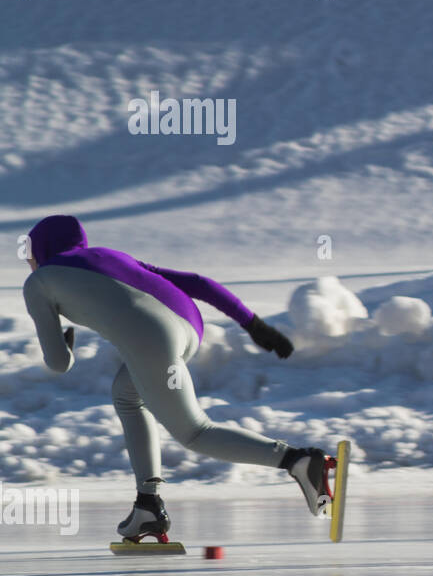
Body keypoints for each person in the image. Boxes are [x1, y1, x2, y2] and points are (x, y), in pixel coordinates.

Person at [22, 214, 331, 542]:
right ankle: (148, 506)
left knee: (195, 432)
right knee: (126, 395)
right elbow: (197, 282)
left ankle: (297, 460)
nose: (29, 261)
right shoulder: (112, 256)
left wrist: (68, 347)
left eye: (29, 253)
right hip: (188, 330)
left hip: (153, 338)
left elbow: (57, 363)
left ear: (42, 248)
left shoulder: (39, 282)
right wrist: (254, 324)